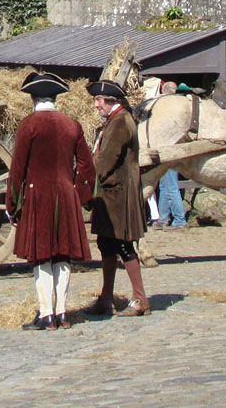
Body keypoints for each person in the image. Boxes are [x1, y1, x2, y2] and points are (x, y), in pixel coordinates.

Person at [6, 72, 94, 330]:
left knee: (42, 254)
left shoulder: (29, 124)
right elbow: (87, 166)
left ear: (33, 98)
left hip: (38, 195)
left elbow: (17, 168)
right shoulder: (72, 124)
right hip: (66, 195)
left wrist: (13, 205)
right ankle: (62, 312)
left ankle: (46, 314)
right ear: (55, 98)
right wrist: (79, 194)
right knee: (62, 254)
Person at [84, 79, 150, 317]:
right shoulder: (114, 121)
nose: (95, 105)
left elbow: (106, 159)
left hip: (118, 194)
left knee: (123, 245)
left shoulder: (121, 122)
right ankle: (106, 298)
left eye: (98, 100)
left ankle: (140, 299)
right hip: (110, 193)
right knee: (107, 244)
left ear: (112, 100)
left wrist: (84, 183)